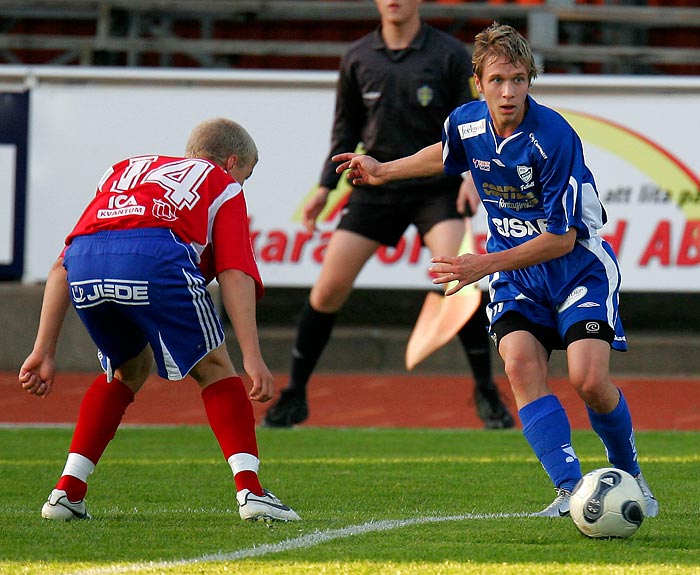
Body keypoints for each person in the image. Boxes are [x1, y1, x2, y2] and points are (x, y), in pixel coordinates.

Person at [333, 22, 659, 518]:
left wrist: (480, 263)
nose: (509, 92)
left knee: (589, 380)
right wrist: (383, 169)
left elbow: (561, 238)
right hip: (516, 273)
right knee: (520, 364)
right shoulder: (466, 123)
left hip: (576, 268)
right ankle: (572, 491)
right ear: (479, 83)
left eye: (519, 80)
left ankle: (631, 476)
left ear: (531, 80)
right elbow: (445, 154)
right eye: (498, 80)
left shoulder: (553, 138)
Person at [18, 118, 301, 523]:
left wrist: (43, 350)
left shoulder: (123, 170)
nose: (244, 183)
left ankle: (67, 490)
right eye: (247, 174)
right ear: (232, 161)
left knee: (127, 369)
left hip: (86, 263)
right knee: (216, 368)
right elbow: (235, 271)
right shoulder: (222, 183)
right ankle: (251, 492)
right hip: (156, 257)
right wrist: (253, 356)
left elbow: (65, 260)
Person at [263, 0, 514, 430]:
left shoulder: (449, 54)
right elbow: (345, 131)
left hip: (437, 186)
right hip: (375, 186)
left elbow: (478, 121)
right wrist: (325, 187)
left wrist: (473, 174)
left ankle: (486, 390)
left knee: (460, 277)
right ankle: (295, 393)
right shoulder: (358, 57)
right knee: (326, 292)